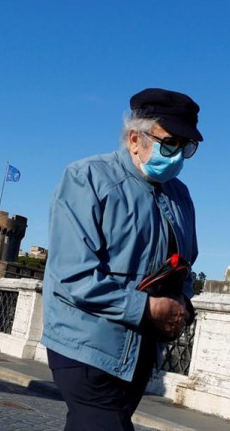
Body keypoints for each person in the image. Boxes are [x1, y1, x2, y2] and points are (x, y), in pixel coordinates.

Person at [42, 87, 202, 430]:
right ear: (134, 139)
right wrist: (147, 308)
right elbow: (73, 275)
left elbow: (187, 266)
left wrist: (182, 303)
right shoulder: (86, 178)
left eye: (187, 148)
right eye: (170, 143)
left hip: (140, 353)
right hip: (86, 345)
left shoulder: (180, 196)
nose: (178, 156)